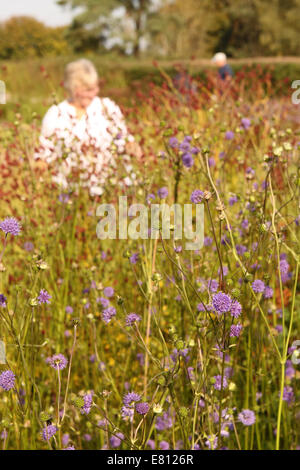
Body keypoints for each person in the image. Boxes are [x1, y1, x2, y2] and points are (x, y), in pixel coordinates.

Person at [34, 58, 142, 196]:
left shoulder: (107, 108)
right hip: (70, 193)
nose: (93, 93)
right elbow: (43, 157)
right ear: (72, 89)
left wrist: (132, 147)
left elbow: (124, 140)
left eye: (95, 88)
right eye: (87, 89)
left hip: (109, 188)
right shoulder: (56, 114)